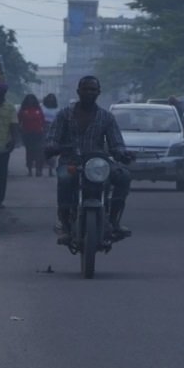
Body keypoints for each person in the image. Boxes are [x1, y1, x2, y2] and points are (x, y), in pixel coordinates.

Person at [46, 76, 132, 245]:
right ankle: (65, 224)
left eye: (93, 90)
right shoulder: (64, 115)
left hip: (98, 164)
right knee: (64, 179)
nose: (89, 93)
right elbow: (52, 137)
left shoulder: (106, 117)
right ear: (79, 91)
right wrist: (51, 147)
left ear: (98, 93)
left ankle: (114, 221)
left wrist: (122, 154)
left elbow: (116, 143)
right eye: (86, 89)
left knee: (123, 176)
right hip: (71, 162)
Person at [18, 95, 48, 177]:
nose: (30, 102)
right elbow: (18, 121)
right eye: (29, 100)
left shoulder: (38, 110)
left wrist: (44, 131)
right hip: (27, 135)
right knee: (29, 152)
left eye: (32, 100)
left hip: (38, 134)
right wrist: (20, 131)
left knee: (39, 152)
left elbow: (43, 121)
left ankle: (39, 170)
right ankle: (30, 170)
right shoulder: (23, 111)